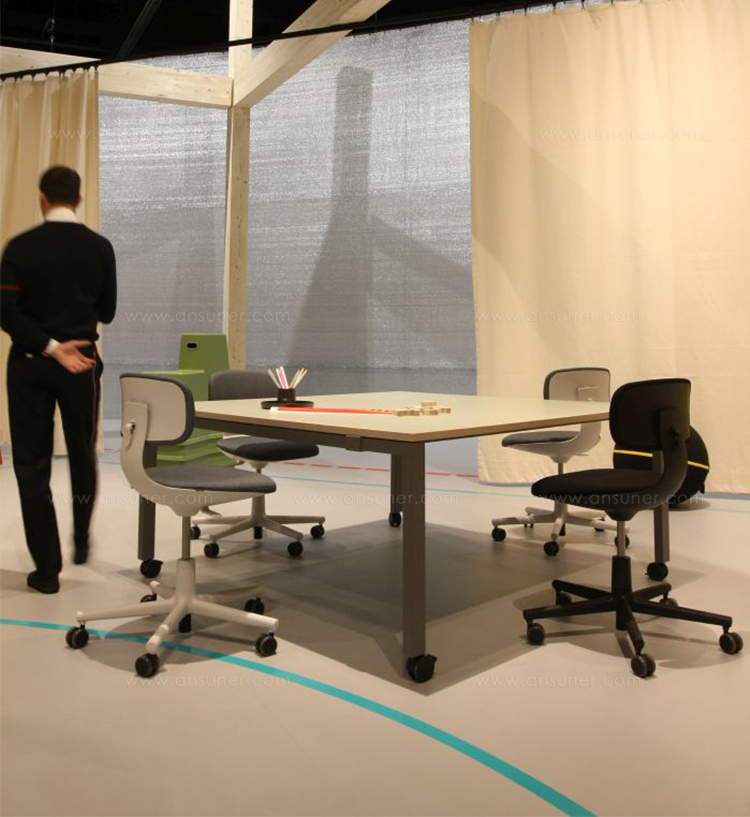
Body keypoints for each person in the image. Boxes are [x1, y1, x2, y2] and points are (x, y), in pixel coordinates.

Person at [0, 166, 117, 594]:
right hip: (81, 362)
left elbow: (6, 312)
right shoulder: (100, 248)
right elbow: (107, 312)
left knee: (32, 464)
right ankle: (81, 538)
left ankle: (47, 571)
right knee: (83, 453)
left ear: (42, 198)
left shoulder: (19, 247)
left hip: (31, 364)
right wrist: (70, 337)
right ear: (79, 199)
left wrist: (49, 345)